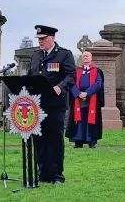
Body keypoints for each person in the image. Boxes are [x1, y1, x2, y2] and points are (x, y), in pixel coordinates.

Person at [27, 25, 76, 184]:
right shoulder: (35, 56)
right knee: (39, 140)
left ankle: (56, 175)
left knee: (54, 139)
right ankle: (43, 173)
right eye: (39, 39)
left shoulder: (64, 55)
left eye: (43, 39)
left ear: (52, 38)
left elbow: (71, 76)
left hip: (55, 105)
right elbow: (30, 77)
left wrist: (60, 87)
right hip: (37, 105)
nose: (41, 42)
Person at [65, 51, 105, 148]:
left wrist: (87, 93)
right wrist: (78, 94)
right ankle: (78, 142)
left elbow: (98, 84)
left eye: (87, 56)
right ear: (81, 59)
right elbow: (71, 83)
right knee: (79, 120)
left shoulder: (97, 71)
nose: (85, 58)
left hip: (92, 99)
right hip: (78, 100)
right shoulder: (76, 71)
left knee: (90, 120)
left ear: (91, 58)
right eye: (83, 56)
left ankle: (91, 141)